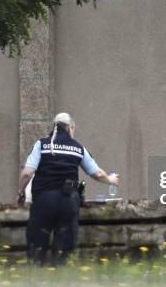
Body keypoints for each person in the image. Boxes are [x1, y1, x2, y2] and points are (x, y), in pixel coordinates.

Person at [17, 112, 119, 266]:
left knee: (37, 246)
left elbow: (27, 173)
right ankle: (61, 275)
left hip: (43, 200)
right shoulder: (78, 148)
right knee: (64, 248)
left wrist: (21, 193)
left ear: (55, 127)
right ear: (70, 128)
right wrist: (110, 180)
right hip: (68, 200)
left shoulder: (41, 144)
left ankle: (35, 276)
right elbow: (97, 173)